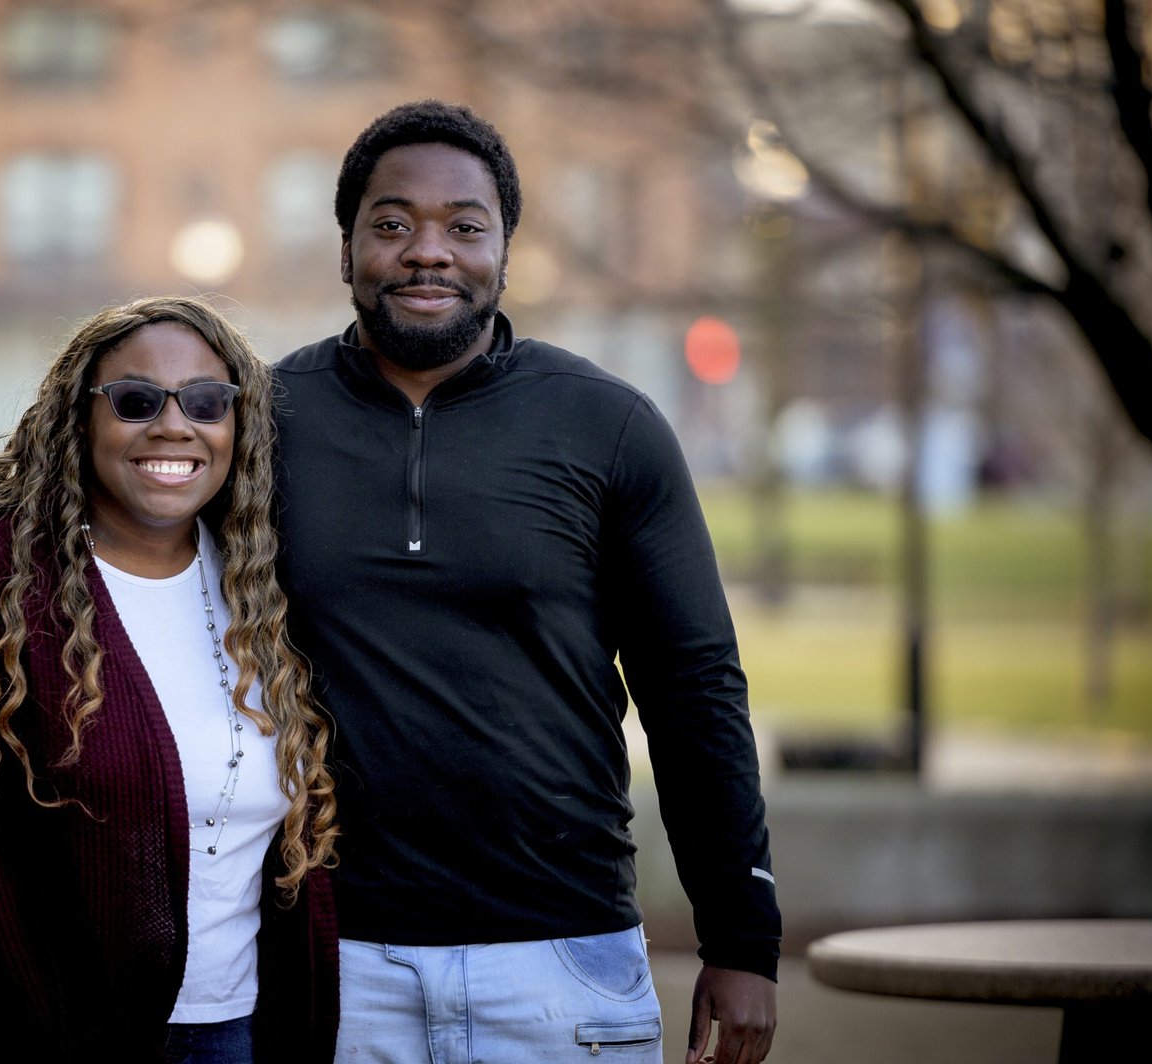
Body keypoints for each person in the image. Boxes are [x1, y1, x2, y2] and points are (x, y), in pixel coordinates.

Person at [272, 101, 780, 1064]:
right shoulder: (260, 423)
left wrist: (745, 939)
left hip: (561, 961)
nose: (430, 251)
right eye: (391, 224)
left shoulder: (608, 427)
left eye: (465, 226)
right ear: (346, 250)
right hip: (331, 960)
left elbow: (695, 691)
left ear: (506, 249)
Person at [0, 296, 339, 1063]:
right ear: (81, 419)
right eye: (136, 400)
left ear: (237, 427)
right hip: (53, 1036)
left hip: (242, 1027)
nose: (174, 425)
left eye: (207, 402)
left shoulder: (260, 582)